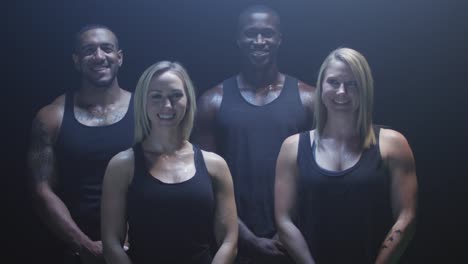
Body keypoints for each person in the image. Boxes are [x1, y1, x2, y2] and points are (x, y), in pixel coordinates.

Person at [193, 5, 315, 263]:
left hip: (296, 244)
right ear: (238, 38)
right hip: (234, 245)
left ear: (279, 39)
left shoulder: (308, 99)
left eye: (267, 33)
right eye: (251, 33)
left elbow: (318, 178)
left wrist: (289, 233)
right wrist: (247, 238)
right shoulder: (212, 102)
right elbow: (207, 184)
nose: (259, 41)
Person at [275, 47, 418, 264]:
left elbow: (406, 216)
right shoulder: (293, 147)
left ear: (365, 89)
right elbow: (284, 219)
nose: (342, 92)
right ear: (321, 87)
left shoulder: (393, 144)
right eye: (333, 82)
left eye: (352, 84)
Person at [101, 61, 238, 264]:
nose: (167, 105)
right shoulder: (122, 166)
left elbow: (229, 240)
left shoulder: (214, 165)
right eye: (156, 96)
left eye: (176, 95)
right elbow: (111, 242)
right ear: (143, 102)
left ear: (188, 100)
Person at [27, 24, 133, 264]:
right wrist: (84, 245)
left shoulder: (146, 112)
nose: (99, 56)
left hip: (140, 247)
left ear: (119, 57)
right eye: (88, 50)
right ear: (76, 60)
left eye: (107, 48)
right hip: (77, 251)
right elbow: (41, 190)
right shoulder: (51, 117)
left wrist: (126, 242)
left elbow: (163, 178)